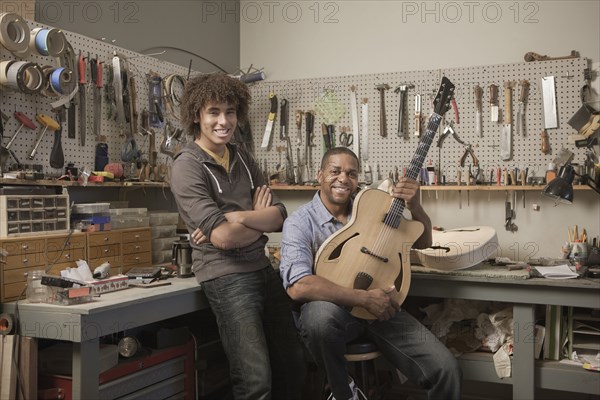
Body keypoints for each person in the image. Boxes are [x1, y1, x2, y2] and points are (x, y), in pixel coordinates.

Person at [279, 147, 461, 400]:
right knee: (318, 318)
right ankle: (344, 392)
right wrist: (363, 299)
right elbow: (298, 286)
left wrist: (416, 207)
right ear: (319, 175)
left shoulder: (372, 208)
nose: (343, 178)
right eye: (335, 171)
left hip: (381, 311)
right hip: (335, 313)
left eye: (351, 173)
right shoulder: (299, 222)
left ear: (357, 180)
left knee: (446, 369)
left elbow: (421, 242)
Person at [170, 73, 305, 400]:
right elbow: (224, 240)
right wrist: (256, 220)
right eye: (214, 112)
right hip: (226, 276)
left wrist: (236, 216)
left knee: (294, 364)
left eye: (230, 112)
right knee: (255, 379)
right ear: (196, 116)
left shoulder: (243, 157)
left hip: (261, 269)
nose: (223, 121)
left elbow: (279, 216)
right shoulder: (187, 166)